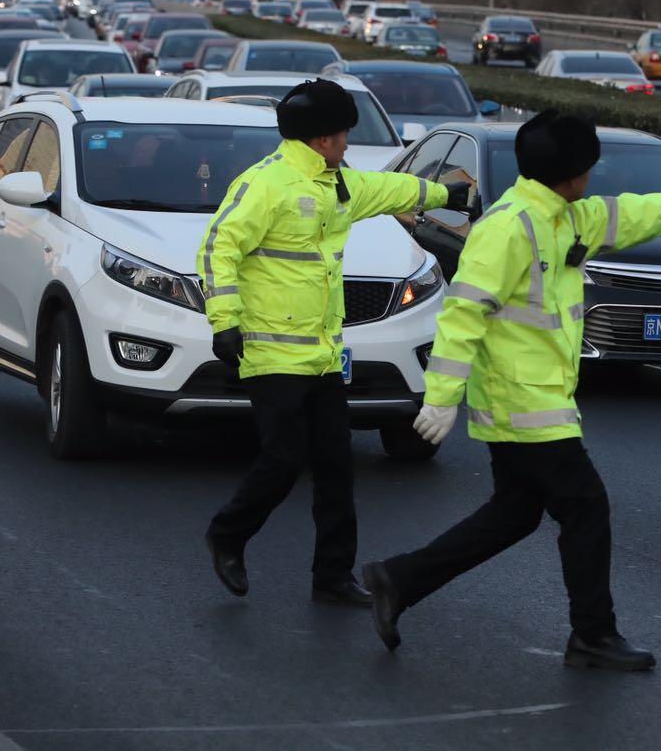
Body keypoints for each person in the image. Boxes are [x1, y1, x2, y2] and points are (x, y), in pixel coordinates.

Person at [361, 109, 661, 671]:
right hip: (522, 402)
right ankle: (593, 636)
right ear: (574, 173)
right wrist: (442, 396)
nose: (593, 179)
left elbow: (624, 215)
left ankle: (399, 579)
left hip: (539, 397)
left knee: (515, 513)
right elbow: (462, 314)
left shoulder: (562, 216)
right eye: (590, 167)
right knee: (586, 507)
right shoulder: (509, 228)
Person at [200, 78, 470, 605]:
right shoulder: (267, 185)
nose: (348, 143)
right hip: (272, 352)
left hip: (323, 356)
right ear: (322, 138)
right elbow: (218, 248)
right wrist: (223, 321)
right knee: (283, 459)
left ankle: (331, 576)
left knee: (335, 466)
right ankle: (228, 535)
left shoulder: (334, 182)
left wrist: (444, 194)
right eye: (344, 133)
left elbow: (385, 189)